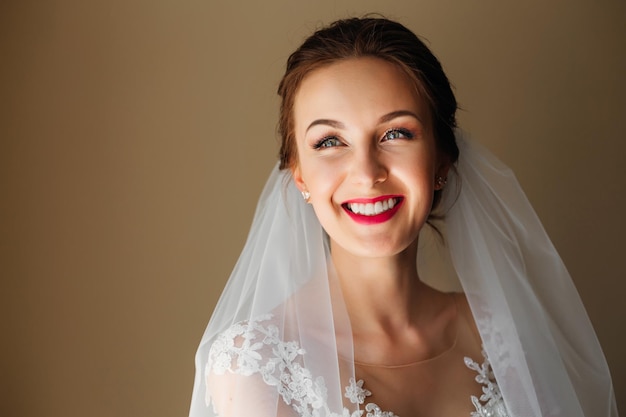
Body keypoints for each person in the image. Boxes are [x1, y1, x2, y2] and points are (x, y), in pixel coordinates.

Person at [189, 17, 618, 417]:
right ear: (300, 176)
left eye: (396, 133)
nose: (367, 173)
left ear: (442, 162)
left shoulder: (506, 333)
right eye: (329, 141)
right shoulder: (252, 365)